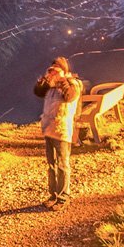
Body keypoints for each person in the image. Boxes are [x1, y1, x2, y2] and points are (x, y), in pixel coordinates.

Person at [33, 57, 84, 209]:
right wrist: (45, 79)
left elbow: (70, 97)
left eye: (56, 68)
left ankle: (63, 197)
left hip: (62, 129)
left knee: (62, 164)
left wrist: (62, 80)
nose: (53, 71)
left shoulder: (73, 83)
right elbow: (38, 92)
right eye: (51, 68)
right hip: (49, 128)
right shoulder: (51, 85)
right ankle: (53, 195)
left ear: (64, 70)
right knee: (51, 164)